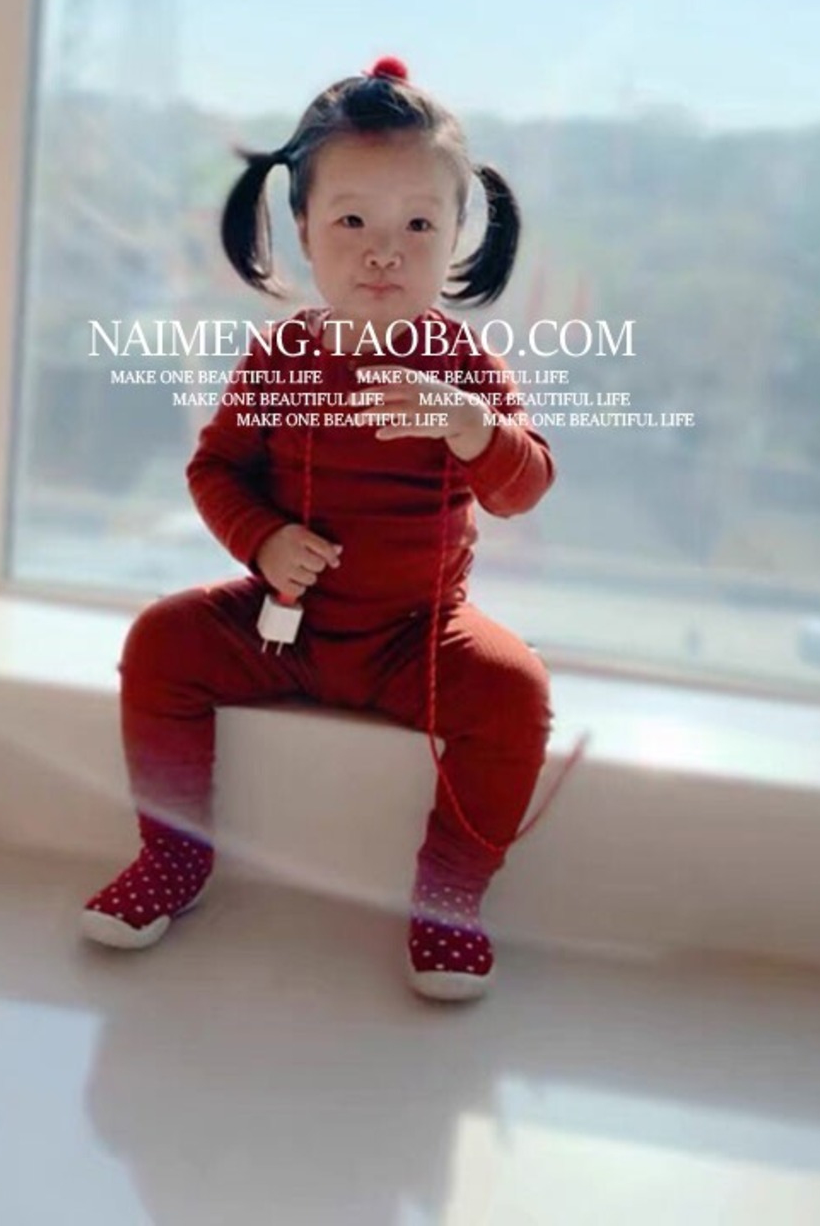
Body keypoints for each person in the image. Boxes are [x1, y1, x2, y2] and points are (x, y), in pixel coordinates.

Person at [81, 57, 557, 1001]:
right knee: (163, 641)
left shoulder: (466, 366)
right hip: (282, 625)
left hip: (418, 637)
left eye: (417, 225)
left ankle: (450, 891)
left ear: (457, 234)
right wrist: (261, 539)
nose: (384, 253)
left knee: (514, 691)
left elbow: (524, 487)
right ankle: (174, 855)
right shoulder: (280, 356)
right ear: (302, 229)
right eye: (352, 223)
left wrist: (472, 427)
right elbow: (215, 469)